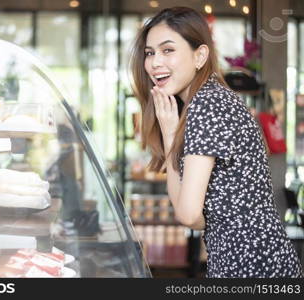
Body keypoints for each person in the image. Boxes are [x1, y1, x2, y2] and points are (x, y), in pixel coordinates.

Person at [130, 6, 303, 278]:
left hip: (252, 266)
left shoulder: (208, 105)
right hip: (250, 262)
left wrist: (204, 219)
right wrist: (171, 134)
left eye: (168, 50)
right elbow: (186, 210)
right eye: (150, 53)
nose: (154, 63)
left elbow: (189, 216)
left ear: (200, 56)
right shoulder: (209, 99)